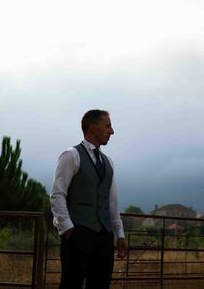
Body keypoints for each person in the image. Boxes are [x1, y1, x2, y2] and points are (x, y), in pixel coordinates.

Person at [50, 109, 128, 289]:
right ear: (93, 128)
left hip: (104, 236)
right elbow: (57, 193)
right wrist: (67, 228)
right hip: (78, 233)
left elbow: (111, 201)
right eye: (108, 126)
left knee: (100, 284)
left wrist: (119, 233)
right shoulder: (71, 155)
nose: (112, 131)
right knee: (71, 284)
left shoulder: (108, 162)